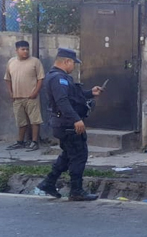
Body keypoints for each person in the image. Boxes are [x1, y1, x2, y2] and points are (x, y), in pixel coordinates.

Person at [35, 48, 103, 201]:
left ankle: (49, 182)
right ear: (66, 61)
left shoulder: (62, 77)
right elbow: (62, 101)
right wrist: (75, 119)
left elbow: (73, 96)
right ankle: (76, 191)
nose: (74, 66)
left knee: (68, 154)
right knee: (79, 155)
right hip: (67, 124)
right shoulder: (58, 78)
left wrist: (91, 93)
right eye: (73, 63)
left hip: (63, 123)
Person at [4, 40, 45, 151]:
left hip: (31, 97)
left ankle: (35, 142)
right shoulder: (11, 62)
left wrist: (35, 92)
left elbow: (40, 78)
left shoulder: (35, 62)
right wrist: (10, 93)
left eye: (27, 49)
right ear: (17, 50)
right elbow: (7, 79)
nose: (25, 51)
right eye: (23, 49)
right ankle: (20, 142)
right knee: (21, 121)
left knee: (35, 120)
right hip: (17, 98)